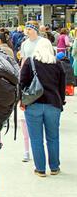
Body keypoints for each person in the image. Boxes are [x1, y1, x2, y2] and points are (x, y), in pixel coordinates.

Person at [20, 37, 65, 177]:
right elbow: (62, 87)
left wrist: (21, 101)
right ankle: (54, 167)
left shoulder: (30, 62)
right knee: (53, 137)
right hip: (53, 105)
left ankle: (40, 169)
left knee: (36, 138)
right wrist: (61, 102)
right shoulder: (57, 64)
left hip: (33, 104)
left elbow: (22, 83)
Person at [19, 21, 43, 162]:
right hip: (28, 79)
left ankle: (37, 150)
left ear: (34, 29)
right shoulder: (24, 43)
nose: (26, 31)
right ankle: (26, 151)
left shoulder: (42, 42)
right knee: (24, 118)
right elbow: (23, 61)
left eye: (29, 29)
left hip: (40, 79)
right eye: (26, 28)